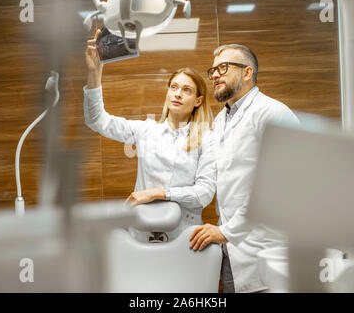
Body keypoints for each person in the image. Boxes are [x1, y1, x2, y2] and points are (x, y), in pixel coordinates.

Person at [83, 29, 216, 241]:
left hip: (185, 238)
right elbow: (97, 120)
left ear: (198, 101)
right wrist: (94, 73)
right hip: (141, 234)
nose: (178, 93)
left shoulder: (207, 138)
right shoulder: (147, 130)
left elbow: (204, 193)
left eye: (186, 90)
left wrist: (156, 193)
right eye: (174, 87)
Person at [189, 44, 300, 293]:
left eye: (223, 67)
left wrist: (228, 231)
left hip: (268, 248)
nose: (215, 75)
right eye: (213, 69)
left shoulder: (273, 113)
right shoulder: (220, 120)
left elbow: (279, 184)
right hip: (232, 249)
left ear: (247, 72)